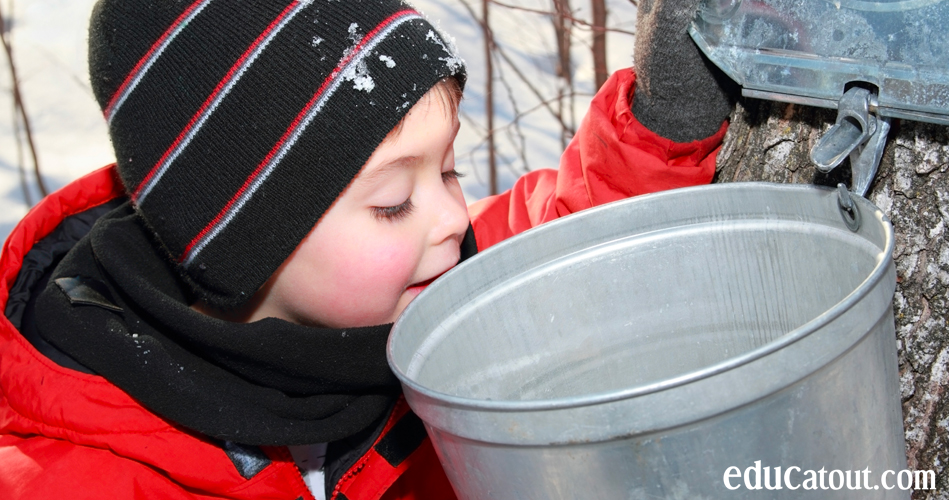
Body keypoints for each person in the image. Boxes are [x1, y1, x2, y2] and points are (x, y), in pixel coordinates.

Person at [0, 0, 735, 498]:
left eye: (448, 168)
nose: (451, 217)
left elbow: (563, 248)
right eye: (392, 204)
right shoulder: (72, 481)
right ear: (239, 248)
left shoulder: (407, 285)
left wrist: (664, 120)